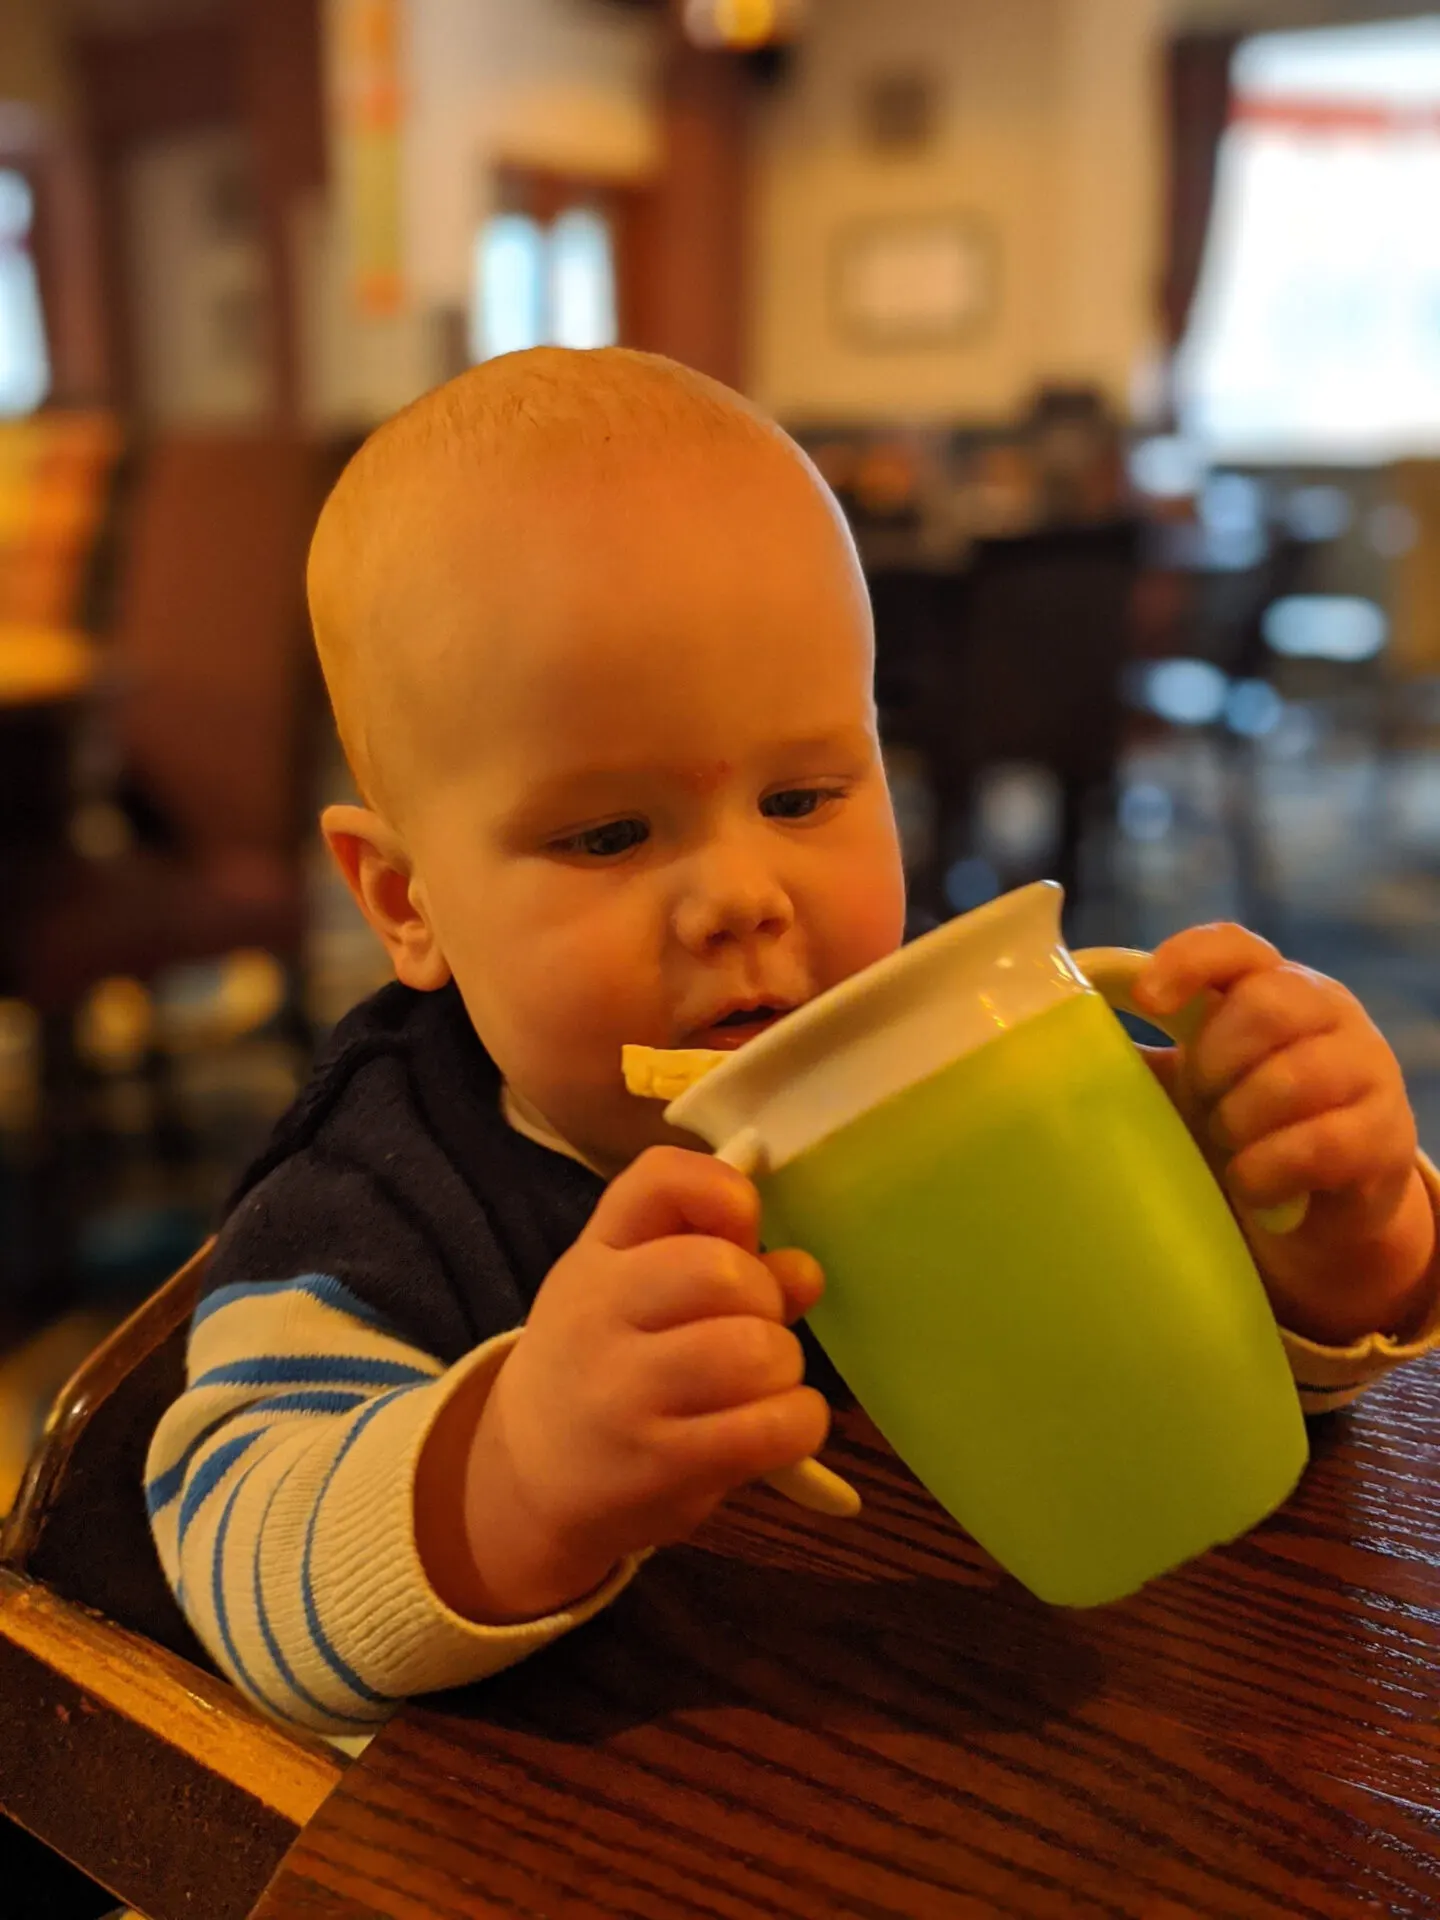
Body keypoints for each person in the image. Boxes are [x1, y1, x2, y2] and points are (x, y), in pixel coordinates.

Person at [145, 348, 1440, 1738]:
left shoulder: (959, 1066)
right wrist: (512, 1469)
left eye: (806, 794)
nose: (743, 899)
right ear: (410, 902)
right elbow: (235, 1567)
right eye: (609, 835)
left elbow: (1209, 1372)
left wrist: (1328, 1235)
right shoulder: (379, 1195)